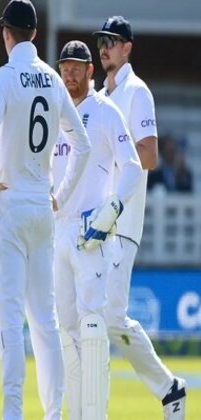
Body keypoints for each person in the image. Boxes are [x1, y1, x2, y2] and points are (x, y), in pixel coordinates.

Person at [0, 1, 91, 418]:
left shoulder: (3, 77)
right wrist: (58, 193)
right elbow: (83, 144)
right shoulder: (51, 78)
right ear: (35, 35)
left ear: (8, 33)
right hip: (41, 203)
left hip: (10, 203)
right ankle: (54, 413)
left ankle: (13, 413)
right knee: (46, 319)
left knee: (10, 316)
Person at [93, 16, 187, 419]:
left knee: (111, 318)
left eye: (112, 42)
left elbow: (147, 156)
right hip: (90, 224)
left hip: (123, 222)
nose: (104, 49)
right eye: (101, 42)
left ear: (127, 47)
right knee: (89, 320)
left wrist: (114, 147)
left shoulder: (137, 92)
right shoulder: (98, 94)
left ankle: (169, 388)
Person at [53, 40, 143, 419]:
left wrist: (111, 210)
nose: (70, 74)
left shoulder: (105, 113)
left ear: (91, 71)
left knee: (92, 327)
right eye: (65, 67)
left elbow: (134, 167)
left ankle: (95, 415)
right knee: (67, 330)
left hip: (92, 234)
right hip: (58, 232)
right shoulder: (54, 113)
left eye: (77, 67)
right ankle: (76, 413)